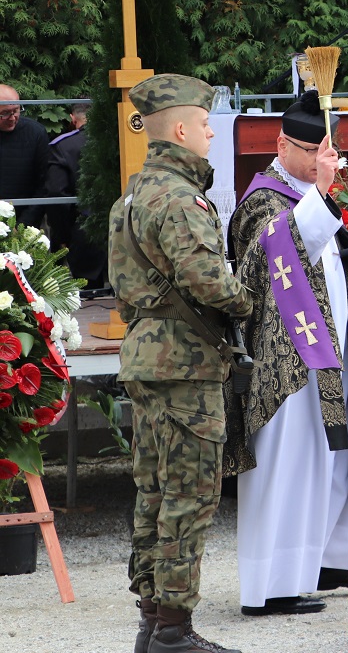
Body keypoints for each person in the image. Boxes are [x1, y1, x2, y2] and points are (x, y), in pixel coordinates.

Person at [106, 73, 254, 653]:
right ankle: (174, 632)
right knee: (190, 497)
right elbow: (207, 280)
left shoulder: (132, 195)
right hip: (186, 367)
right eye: (208, 124)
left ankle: (152, 621)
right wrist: (250, 301)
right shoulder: (181, 198)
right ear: (184, 128)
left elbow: (121, 283)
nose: (212, 134)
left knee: (153, 491)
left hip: (146, 359)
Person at [224, 89, 348, 617]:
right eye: (310, 151)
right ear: (281, 145)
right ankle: (268, 587)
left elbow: (323, 260)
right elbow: (276, 254)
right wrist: (321, 191)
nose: (320, 161)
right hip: (283, 364)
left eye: (327, 151)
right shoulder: (262, 200)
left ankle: (310, 567)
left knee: (326, 465)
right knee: (283, 469)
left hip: (328, 357)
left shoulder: (306, 196)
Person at [47, 102, 106, 289]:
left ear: (73, 118)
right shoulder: (121, 140)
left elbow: (57, 194)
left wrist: (62, 235)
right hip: (123, 232)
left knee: (87, 301)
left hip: (83, 233)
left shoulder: (63, 146)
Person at [0, 84, 50, 228]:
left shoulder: (35, 133)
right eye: (5, 113)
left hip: (26, 222)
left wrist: (23, 225)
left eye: (16, 110)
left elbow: (44, 185)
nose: (12, 118)